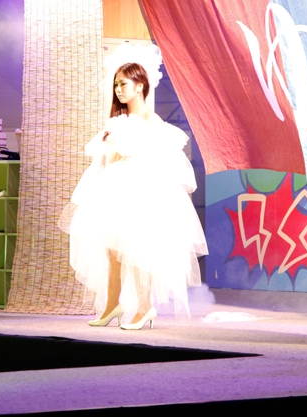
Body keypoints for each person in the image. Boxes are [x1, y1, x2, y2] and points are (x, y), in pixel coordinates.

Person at [60, 45, 208, 330]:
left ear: (140, 86)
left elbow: (160, 161)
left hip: (140, 192)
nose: (118, 89)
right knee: (112, 251)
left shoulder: (152, 121)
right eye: (116, 84)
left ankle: (144, 307)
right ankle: (112, 305)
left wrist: (127, 156)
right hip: (114, 190)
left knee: (138, 250)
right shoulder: (117, 121)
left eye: (123, 84)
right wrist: (110, 154)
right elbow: (106, 159)